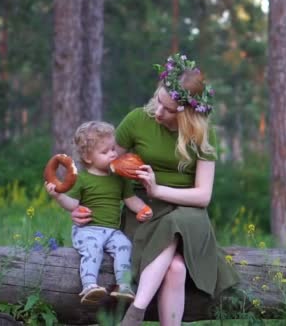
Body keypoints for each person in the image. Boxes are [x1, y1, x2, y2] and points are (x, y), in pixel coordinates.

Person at [70, 53, 239, 325]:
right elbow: (104, 167)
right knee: (175, 268)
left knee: (177, 220)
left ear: (188, 114)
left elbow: (203, 196)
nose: (158, 112)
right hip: (145, 211)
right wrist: (77, 203)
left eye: (169, 109)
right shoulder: (138, 120)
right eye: (159, 101)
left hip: (188, 214)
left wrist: (158, 189)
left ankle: (135, 313)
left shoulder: (203, 135)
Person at [45, 121, 153, 305]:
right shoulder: (82, 179)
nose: (113, 154)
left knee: (124, 245)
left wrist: (143, 208)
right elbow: (73, 205)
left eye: (113, 149)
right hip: (88, 230)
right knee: (93, 249)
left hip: (112, 231)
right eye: (105, 152)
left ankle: (123, 285)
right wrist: (58, 196)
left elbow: (130, 199)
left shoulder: (119, 178)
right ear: (88, 158)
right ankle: (89, 285)